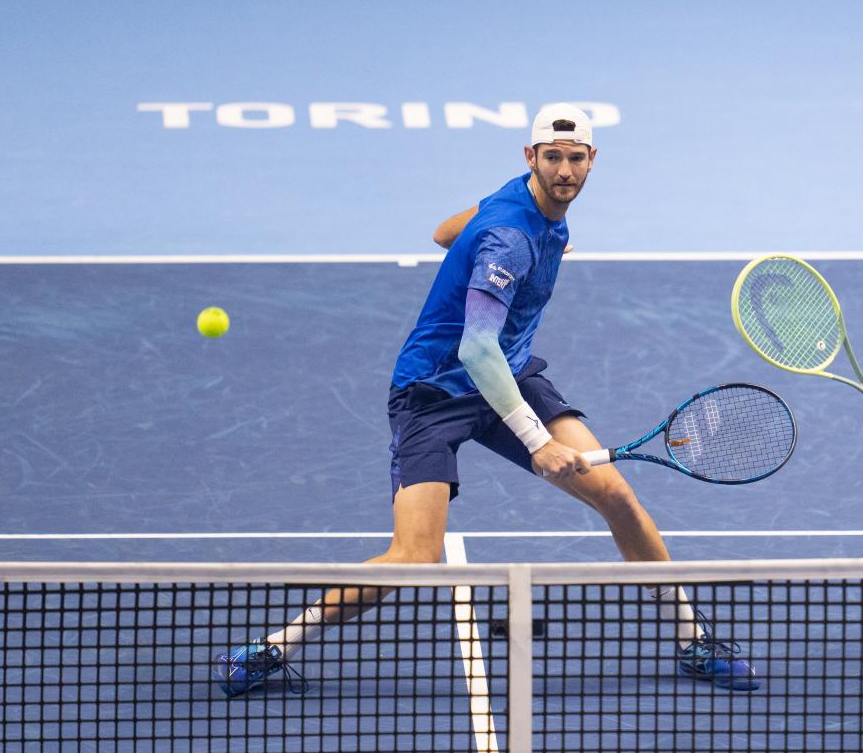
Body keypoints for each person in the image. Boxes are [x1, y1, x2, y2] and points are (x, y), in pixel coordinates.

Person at [216, 103, 759, 694]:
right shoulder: (510, 239)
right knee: (414, 557)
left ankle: (691, 640)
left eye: (575, 159)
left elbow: (444, 232)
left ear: (592, 159)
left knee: (617, 498)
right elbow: (477, 349)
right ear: (531, 157)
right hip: (435, 390)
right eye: (552, 159)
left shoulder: (521, 205)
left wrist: (485, 242)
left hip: (512, 373)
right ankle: (272, 648)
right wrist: (536, 442)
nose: (565, 172)